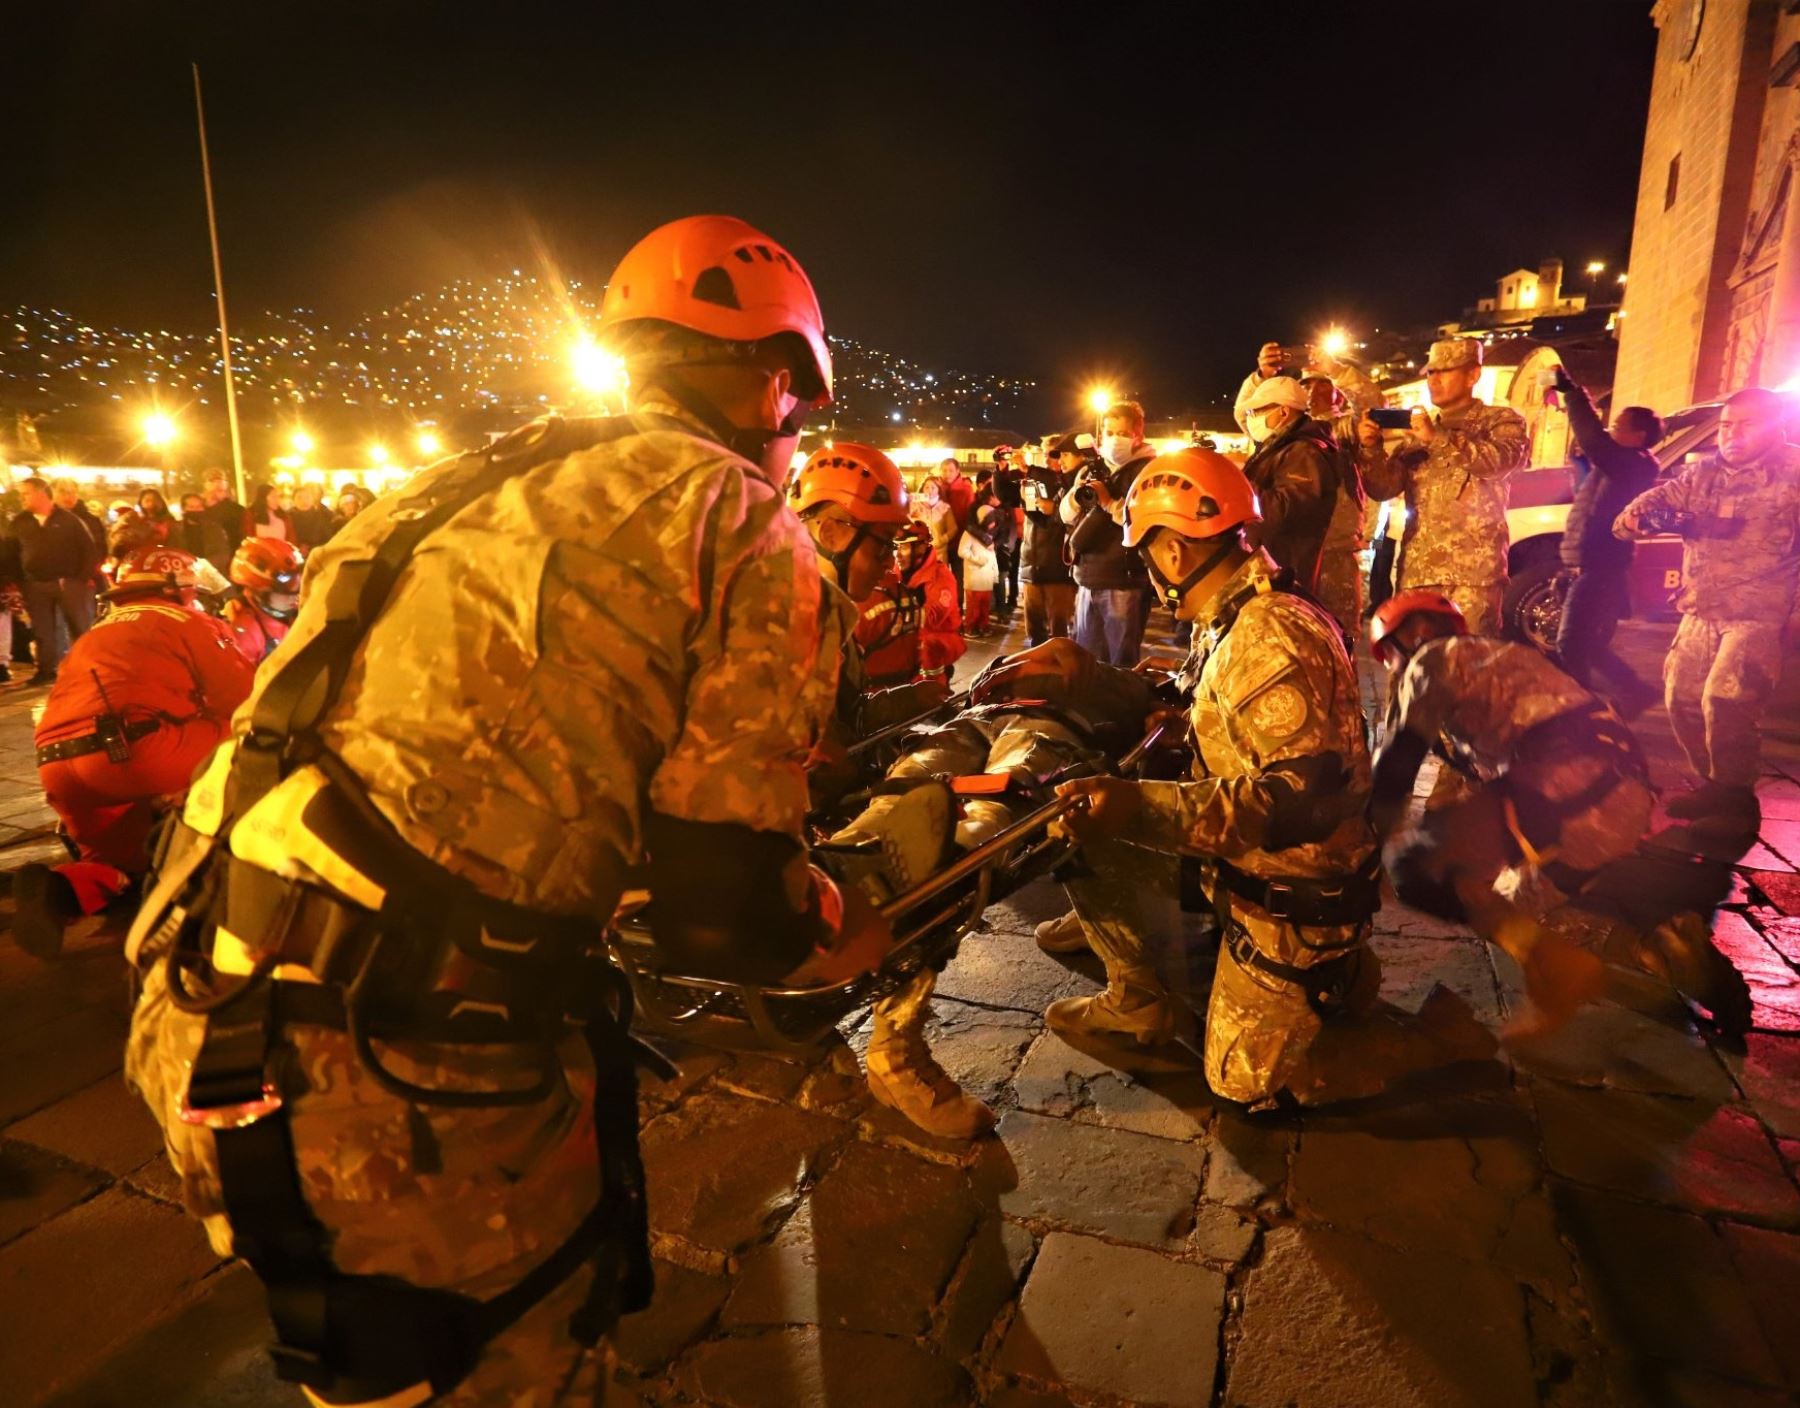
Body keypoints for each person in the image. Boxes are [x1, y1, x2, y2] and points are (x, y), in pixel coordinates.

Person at [125, 215, 886, 1405]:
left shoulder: (455, 482)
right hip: (390, 1077)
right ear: (778, 384)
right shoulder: (737, 520)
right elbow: (729, 919)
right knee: (507, 1366)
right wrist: (845, 919)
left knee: (382, 1373)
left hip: (196, 1000)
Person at [1045, 450, 1494, 1106]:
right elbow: (1195, 699)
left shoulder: (1268, 634)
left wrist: (1136, 806)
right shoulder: (1238, 609)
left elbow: (1294, 804)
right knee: (1098, 825)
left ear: (1172, 555)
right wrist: (1085, 677)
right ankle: (1141, 991)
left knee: (1242, 1084)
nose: (1148, 573)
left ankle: (1381, 1015)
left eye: (1146, 555)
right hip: (1251, 863)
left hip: (1292, 891)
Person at [1368, 590, 1749, 1034]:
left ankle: (1634, 953)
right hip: (1619, 791)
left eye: (1388, 657)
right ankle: (1665, 940)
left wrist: (1368, 841)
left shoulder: (1431, 661)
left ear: (1411, 635)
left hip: (1566, 787)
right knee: (1526, 879)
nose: (1392, 669)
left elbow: (1397, 762)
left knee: (1421, 869)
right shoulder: (1506, 659)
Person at [788, 441, 989, 1137]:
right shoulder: (800, 609)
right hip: (763, 831)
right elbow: (805, 753)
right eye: (880, 546)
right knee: (935, 862)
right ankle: (896, 1051)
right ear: (835, 530)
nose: (890, 564)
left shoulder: (795, 589)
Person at [11, 547, 254, 959]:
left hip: (57, 764)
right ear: (178, 588)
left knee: (119, 863)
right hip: (136, 752)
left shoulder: (95, 631)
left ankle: (57, 891)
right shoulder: (189, 621)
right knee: (252, 735)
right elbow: (247, 695)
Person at [1614, 385, 1800, 819]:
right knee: (1681, 697)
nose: (1731, 435)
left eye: (1746, 425)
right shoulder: (1701, 475)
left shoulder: (1794, 474)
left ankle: (1735, 795)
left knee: (1727, 700)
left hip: (1760, 613)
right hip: (1700, 609)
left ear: (1775, 427)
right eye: (1725, 426)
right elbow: (1633, 518)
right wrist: (1647, 518)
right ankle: (1714, 781)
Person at [1356, 337, 1527, 634]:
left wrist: (1437, 438)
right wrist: (1371, 448)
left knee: (1468, 668)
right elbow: (1383, 488)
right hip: (1418, 574)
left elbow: (1498, 463)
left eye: (1444, 371)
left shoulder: (1500, 422)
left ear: (1473, 375)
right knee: (1414, 669)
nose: (1434, 379)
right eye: (1430, 372)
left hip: (1472, 579)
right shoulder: (1417, 432)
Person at [1548, 367, 1662, 713]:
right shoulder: (1616, 464)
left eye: (1618, 427)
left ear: (1638, 436)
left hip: (1601, 567)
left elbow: (1593, 440)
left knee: (1570, 642)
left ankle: (1573, 708)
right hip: (1589, 564)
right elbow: (1588, 457)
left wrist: (1572, 392)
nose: (1611, 431)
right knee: (1588, 643)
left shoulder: (1631, 464)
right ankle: (1634, 692)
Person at [1062, 400, 1155, 665]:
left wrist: (1108, 502)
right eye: (1109, 432)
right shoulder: (1094, 468)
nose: (1115, 439)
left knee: (1119, 663)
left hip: (1123, 581)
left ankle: (1119, 706)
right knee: (1084, 660)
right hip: (1087, 578)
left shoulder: (1149, 470)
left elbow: (1143, 521)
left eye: (1123, 433)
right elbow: (1065, 516)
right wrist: (1076, 496)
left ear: (1139, 435)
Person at [1300, 349, 1384, 638]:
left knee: (1338, 634)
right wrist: (1262, 376)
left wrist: (1336, 370)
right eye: (1307, 384)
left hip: (1335, 549)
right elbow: (1247, 416)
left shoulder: (1345, 427)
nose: (1314, 390)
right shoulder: (1290, 430)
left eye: (1322, 383)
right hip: (1297, 549)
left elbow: (1374, 406)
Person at [1239, 376, 1341, 599]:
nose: (1251, 419)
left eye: (1256, 411)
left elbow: (1284, 511)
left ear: (1283, 412)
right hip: (1266, 573)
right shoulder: (1278, 447)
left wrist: (1238, 487)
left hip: (1283, 577)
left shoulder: (1305, 452)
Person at [10, 475, 98, 684]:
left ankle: (86, 667)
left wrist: (81, 578)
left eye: (26, 493)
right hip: (35, 584)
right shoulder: (20, 522)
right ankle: (47, 669)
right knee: (42, 629)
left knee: (78, 625)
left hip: (68, 582)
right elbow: (10, 552)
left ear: (41, 493)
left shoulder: (69, 520)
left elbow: (88, 549)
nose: (21, 498)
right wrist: (19, 581)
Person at [856, 520, 964, 689]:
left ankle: (936, 692)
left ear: (920, 548)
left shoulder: (941, 578)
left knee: (927, 648)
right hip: (912, 638)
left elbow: (933, 616)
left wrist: (890, 616)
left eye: (904, 547)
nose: (897, 555)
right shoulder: (901, 570)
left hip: (938, 640)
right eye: (896, 548)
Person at [1020, 437, 1076, 645]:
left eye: (1054, 454)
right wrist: (1002, 472)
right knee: (1034, 627)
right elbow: (1035, 516)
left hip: (1057, 569)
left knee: (1059, 627)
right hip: (1031, 563)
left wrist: (1028, 468)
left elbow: (1056, 482)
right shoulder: (1036, 481)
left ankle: (1061, 669)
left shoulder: (1068, 483)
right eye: (1046, 455)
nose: (1050, 460)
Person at [222, 536, 304, 664]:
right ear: (259, 592)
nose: (297, 595)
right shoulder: (248, 633)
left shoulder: (291, 612)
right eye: (287, 590)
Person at [960, 488, 1000, 636]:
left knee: (984, 605)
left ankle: (983, 625)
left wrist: (994, 572)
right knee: (973, 606)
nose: (993, 524)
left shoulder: (989, 536)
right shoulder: (970, 534)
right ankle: (970, 626)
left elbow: (992, 555)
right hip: (974, 577)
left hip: (986, 579)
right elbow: (962, 551)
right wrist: (978, 560)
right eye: (990, 521)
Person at [990, 446, 1024, 616]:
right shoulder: (1003, 481)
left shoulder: (1022, 474)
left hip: (1026, 529)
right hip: (1011, 531)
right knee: (1009, 566)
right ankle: (1009, 599)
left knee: (1016, 567)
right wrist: (1000, 469)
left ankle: (1013, 596)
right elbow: (1001, 492)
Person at [171, 492, 234, 574]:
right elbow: (172, 552)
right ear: (183, 509)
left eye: (198, 507)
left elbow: (223, 553)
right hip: (185, 574)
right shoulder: (176, 530)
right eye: (191, 507)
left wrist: (204, 566)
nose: (195, 510)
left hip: (211, 573)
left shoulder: (214, 528)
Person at [53, 477, 108, 570]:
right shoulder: (42, 518)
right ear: (51, 493)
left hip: (83, 578)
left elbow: (99, 550)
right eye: (62, 491)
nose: (68, 496)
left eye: (72, 492)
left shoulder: (91, 520)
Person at [911, 475, 958, 567]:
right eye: (927, 487)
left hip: (939, 552)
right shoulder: (915, 506)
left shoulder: (944, 508)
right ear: (922, 489)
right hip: (919, 551)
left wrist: (941, 540)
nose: (930, 490)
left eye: (933, 487)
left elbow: (953, 528)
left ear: (938, 490)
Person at [199, 471, 249, 546]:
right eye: (212, 481)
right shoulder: (199, 509)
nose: (216, 484)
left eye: (220, 490)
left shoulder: (237, 510)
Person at [287, 483, 335, 548]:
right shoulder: (287, 518)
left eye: (307, 497)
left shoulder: (322, 516)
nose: (304, 501)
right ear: (293, 500)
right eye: (299, 497)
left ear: (312, 499)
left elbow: (327, 539)